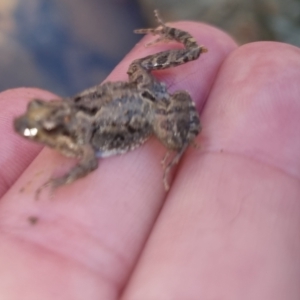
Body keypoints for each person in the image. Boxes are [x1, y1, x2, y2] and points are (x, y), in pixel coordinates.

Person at [0, 20, 299, 299]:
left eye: (42, 127)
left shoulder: (83, 141)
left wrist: (63, 178)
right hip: (140, 90)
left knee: (171, 136)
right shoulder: (75, 130)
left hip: (149, 113)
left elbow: (89, 163)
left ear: (59, 125)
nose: (30, 128)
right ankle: (178, 38)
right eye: (37, 120)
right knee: (137, 66)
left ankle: (185, 66)